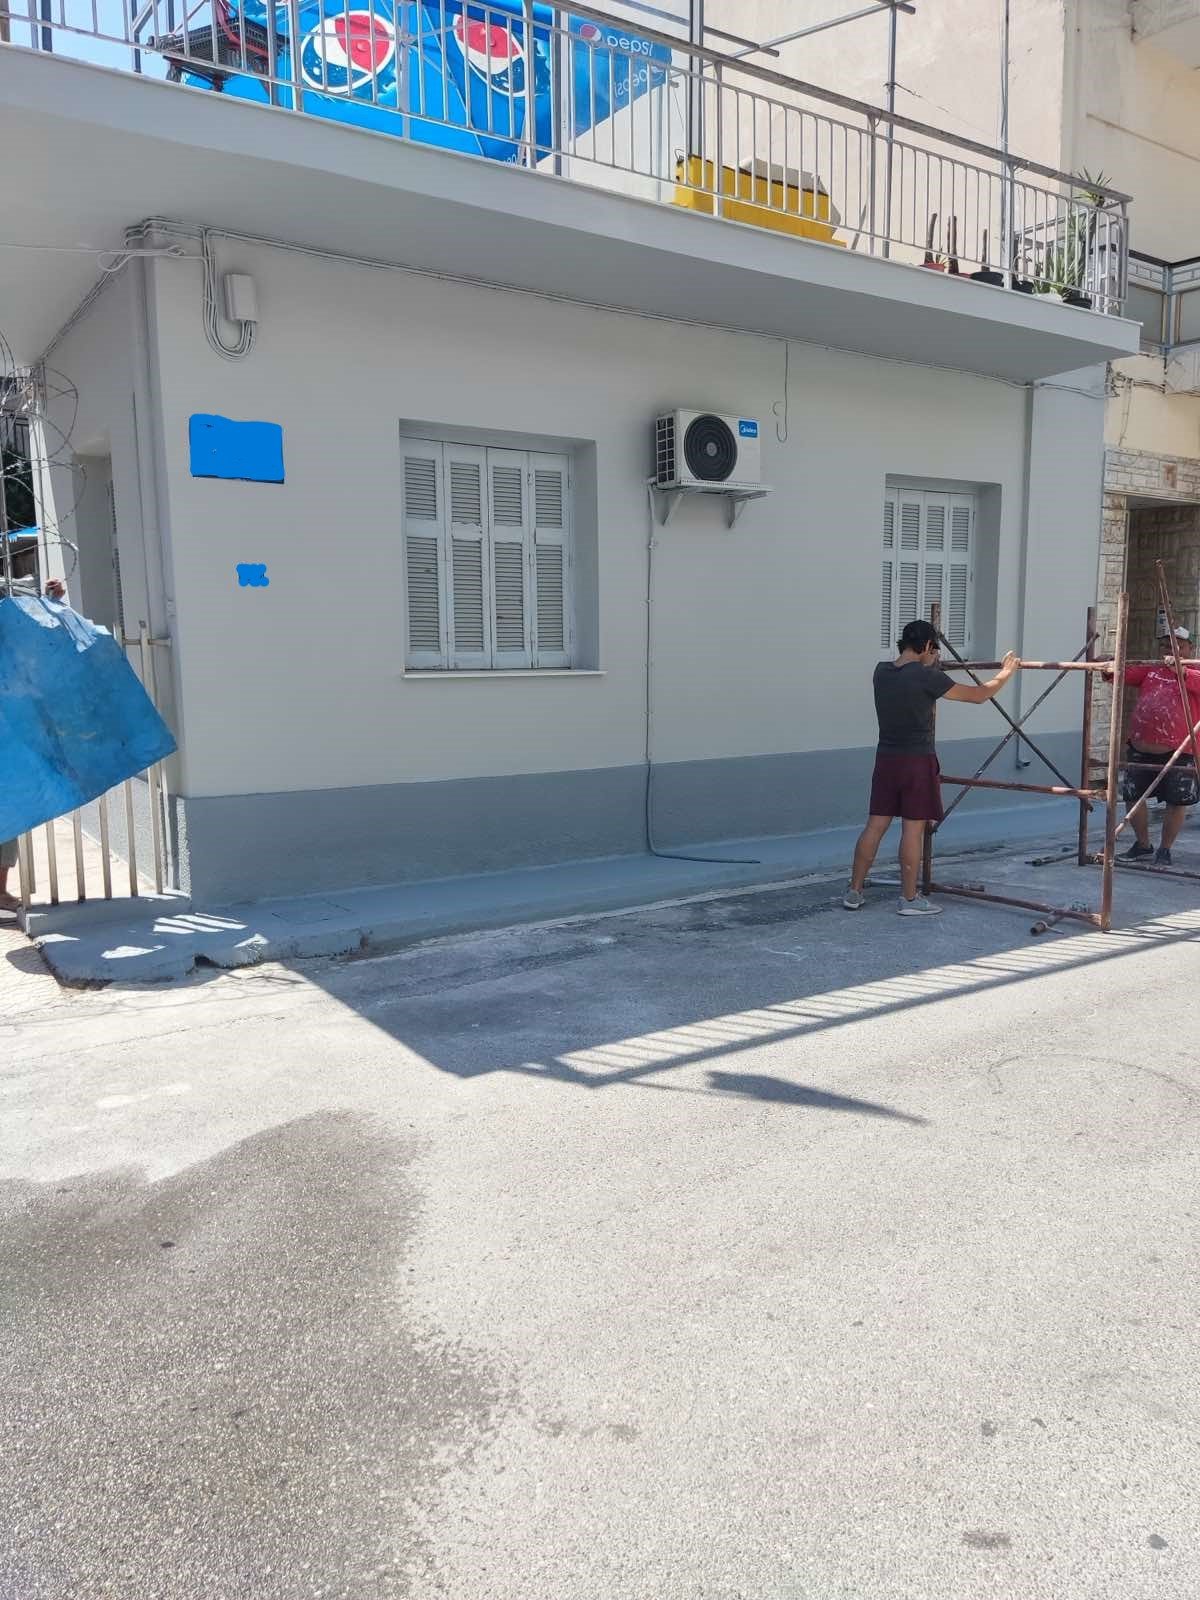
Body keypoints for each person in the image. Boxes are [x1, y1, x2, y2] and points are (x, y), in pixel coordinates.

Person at [844, 620, 1021, 915]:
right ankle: (909, 900)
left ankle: (854, 891)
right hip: (917, 760)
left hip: (886, 758)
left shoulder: (881, 671)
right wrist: (1006, 672)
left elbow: (907, 680)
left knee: (875, 826)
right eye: (934, 648)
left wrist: (929, 666)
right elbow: (979, 696)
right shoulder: (927, 677)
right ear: (927, 645)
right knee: (913, 829)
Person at [1112, 626, 1200, 867]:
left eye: (1177, 645)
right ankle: (1143, 845)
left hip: (1180, 750)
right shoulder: (1151, 669)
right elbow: (1123, 674)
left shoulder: (1195, 670)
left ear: (1190, 648)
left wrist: (1181, 671)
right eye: (1165, 645)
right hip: (1140, 749)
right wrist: (1109, 665)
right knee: (1132, 796)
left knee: (1177, 801)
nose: (1170, 649)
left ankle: (1165, 849)